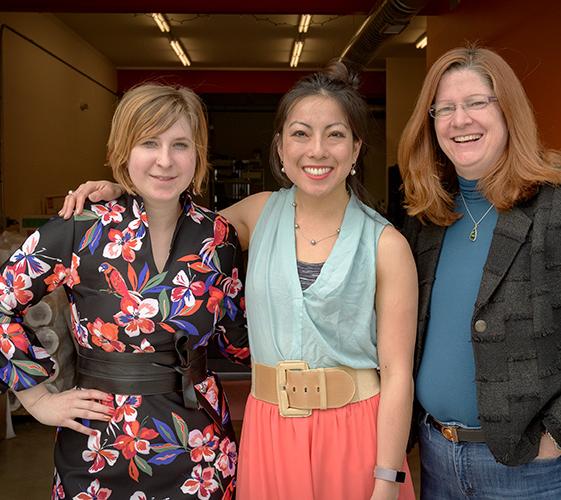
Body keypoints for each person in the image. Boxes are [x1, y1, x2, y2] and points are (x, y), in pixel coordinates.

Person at [61, 61, 418, 500]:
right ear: (281, 148)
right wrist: (126, 190)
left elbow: (399, 375)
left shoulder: (387, 244)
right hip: (271, 433)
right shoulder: (258, 213)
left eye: (336, 134)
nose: (318, 150)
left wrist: (387, 479)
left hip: (355, 430)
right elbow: (172, 227)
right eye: (301, 133)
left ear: (357, 148)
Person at [397, 44, 561, 499]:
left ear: (509, 112)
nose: (461, 120)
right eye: (445, 109)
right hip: (437, 457)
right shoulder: (427, 216)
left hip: (534, 472)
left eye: (477, 103)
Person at [0, 83, 249, 499]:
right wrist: (38, 400)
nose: (165, 160)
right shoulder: (81, 228)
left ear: (198, 153)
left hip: (200, 445)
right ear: (123, 152)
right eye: (149, 142)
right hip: (99, 443)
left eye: (180, 144)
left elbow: (238, 338)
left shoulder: (218, 237)